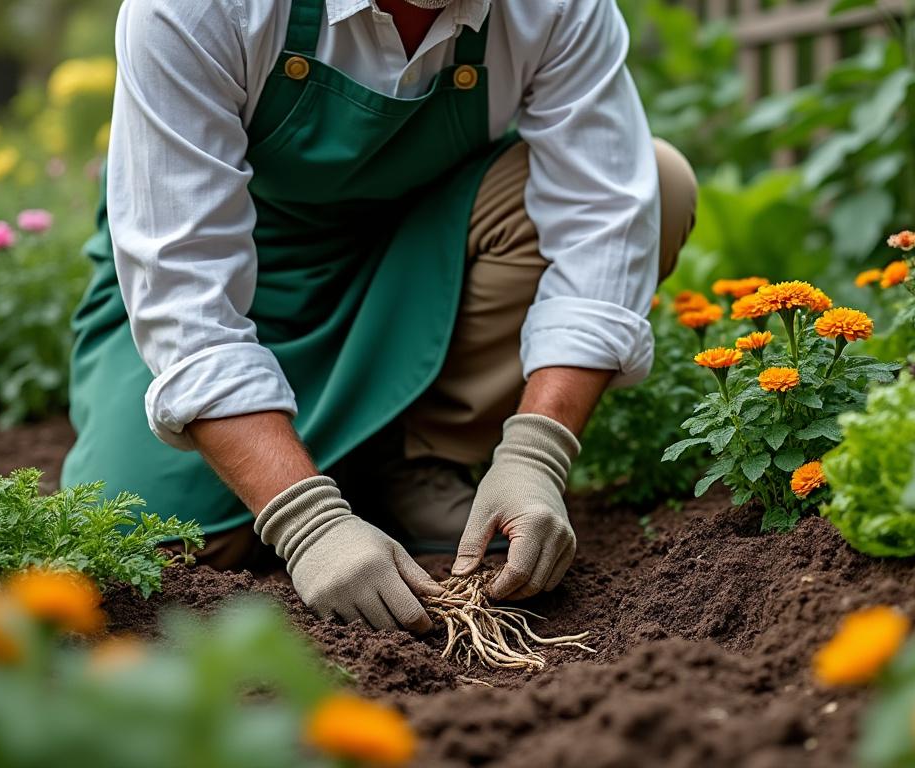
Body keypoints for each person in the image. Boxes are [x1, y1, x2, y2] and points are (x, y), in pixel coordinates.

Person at [61, 0, 697, 631]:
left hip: (420, 258)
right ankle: (329, 481)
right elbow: (187, 302)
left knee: (659, 184)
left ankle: (417, 458)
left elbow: (602, 223)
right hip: (246, 288)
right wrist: (307, 523)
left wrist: (537, 455)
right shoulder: (197, 9)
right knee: (138, 551)